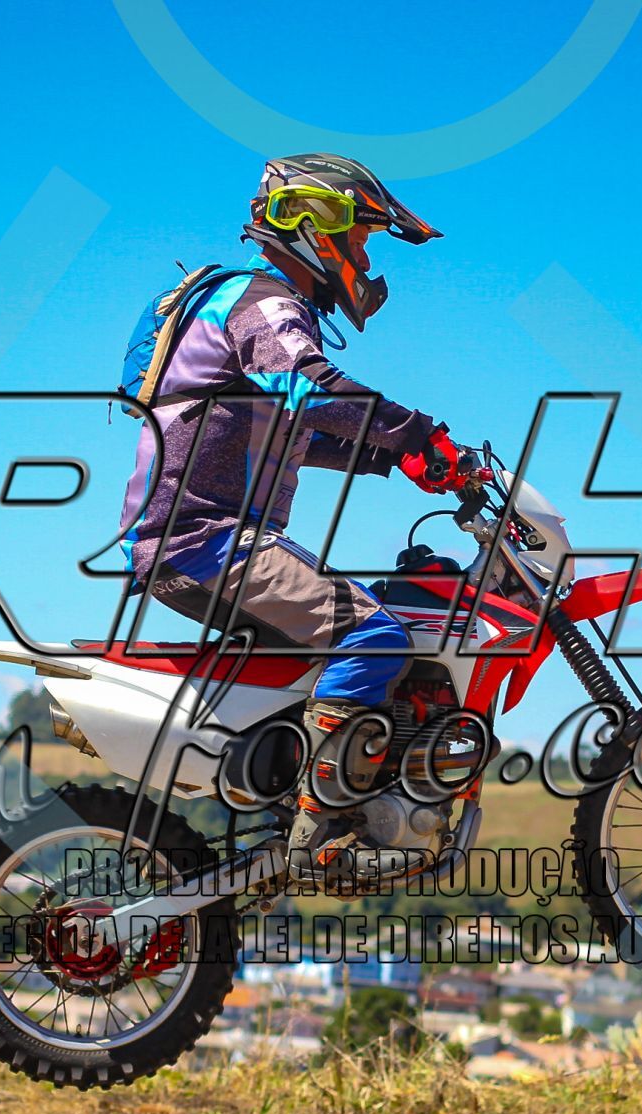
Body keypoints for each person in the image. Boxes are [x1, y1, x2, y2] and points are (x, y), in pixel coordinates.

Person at [117, 153, 472, 878]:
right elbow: (311, 390)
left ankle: (302, 804)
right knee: (374, 635)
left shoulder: (254, 302)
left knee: (372, 635)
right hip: (205, 541)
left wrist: (393, 460)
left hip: (197, 542)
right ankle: (320, 830)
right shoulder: (263, 301)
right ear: (316, 227)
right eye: (361, 239)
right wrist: (417, 433)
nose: (365, 260)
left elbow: (293, 431)